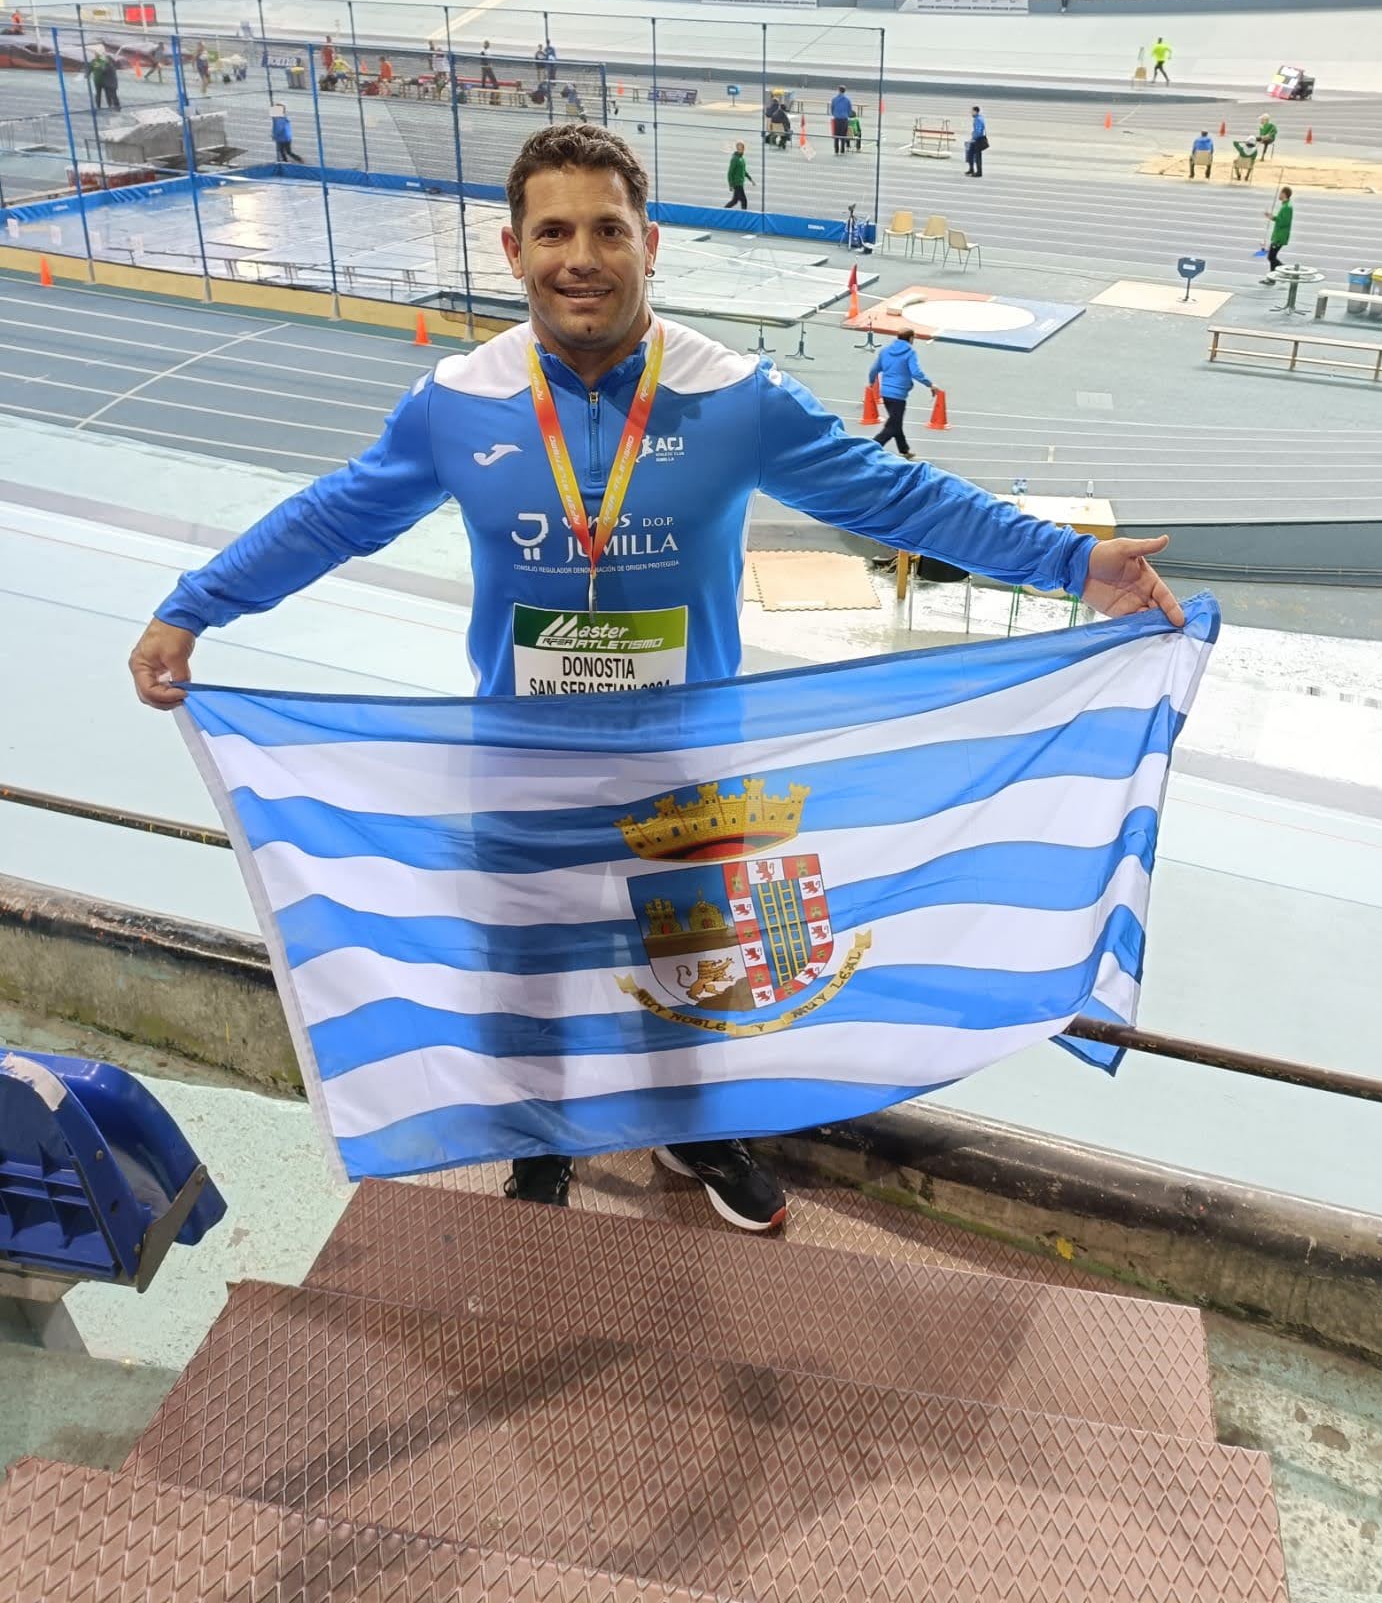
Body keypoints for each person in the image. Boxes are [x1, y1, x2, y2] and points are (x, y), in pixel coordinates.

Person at [126, 123, 1181, 1235]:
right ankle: (539, 1138)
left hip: (684, 764)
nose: (580, 257)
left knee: (693, 965)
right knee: (527, 971)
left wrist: (1075, 562)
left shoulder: (734, 397)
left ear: (651, 242)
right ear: (513, 249)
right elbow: (334, 516)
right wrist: (195, 604)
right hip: (522, 762)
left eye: (607, 230)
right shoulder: (458, 401)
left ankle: (695, 1127)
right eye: (553, 232)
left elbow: (895, 498)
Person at [869, 330, 932, 459]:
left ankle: (904, 450)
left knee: (896, 422)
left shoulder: (885, 351)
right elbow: (916, 373)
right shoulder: (910, 353)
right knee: (892, 426)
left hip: (886, 393)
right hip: (898, 394)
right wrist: (930, 384)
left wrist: (871, 382)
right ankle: (871, 447)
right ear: (910, 338)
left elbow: (874, 369)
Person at [1262, 186, 1293, 281]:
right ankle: (1272, 278)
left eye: (1280, 193)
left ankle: (1285, 271)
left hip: (1280, 236)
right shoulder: (1285, 206)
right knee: (1272, 257)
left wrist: (1274, 218)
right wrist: (1273, 217)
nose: (1279, 195)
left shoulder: (1287, 207)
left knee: (1271, 257)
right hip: (1278, 235)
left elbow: (1285, 222)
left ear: (1284, 194)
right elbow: (1281, 219)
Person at [725, 141, 751, 210]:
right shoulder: (735, 159)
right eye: (739, 148)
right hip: (737, 183)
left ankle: (723, 210)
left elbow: (743, 171)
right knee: (744, 201)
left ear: (744, 149)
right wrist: (730, 184)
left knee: (735, 201)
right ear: (737, 149)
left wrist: (750, 178)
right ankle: (744, 214)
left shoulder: (742, 159)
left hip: (740, 183)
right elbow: (730, 172)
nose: (740, 150)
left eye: (741, 148)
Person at [829, 85, 855, 155]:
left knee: (836, 135)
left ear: (838, 90)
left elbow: (832, 108)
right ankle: (842, 151)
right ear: (845, 91)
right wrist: (846, 115)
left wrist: (835, 114)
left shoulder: (834, 99)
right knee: (843, 135)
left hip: (837, 119)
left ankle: (836, 151)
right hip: (844, 119)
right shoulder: (848, 100)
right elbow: (850, 111)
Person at [965, 105, 987, 177]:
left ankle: (979, 172)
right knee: (970, 154)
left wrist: (973, 139)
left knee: (977, 156)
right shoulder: (978, 118)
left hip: (978, 140)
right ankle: (971, 169)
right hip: (977, 139)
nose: (971, 113)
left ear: (975, 111)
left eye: (972, 111)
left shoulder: (978, 119)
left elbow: (978, 131)